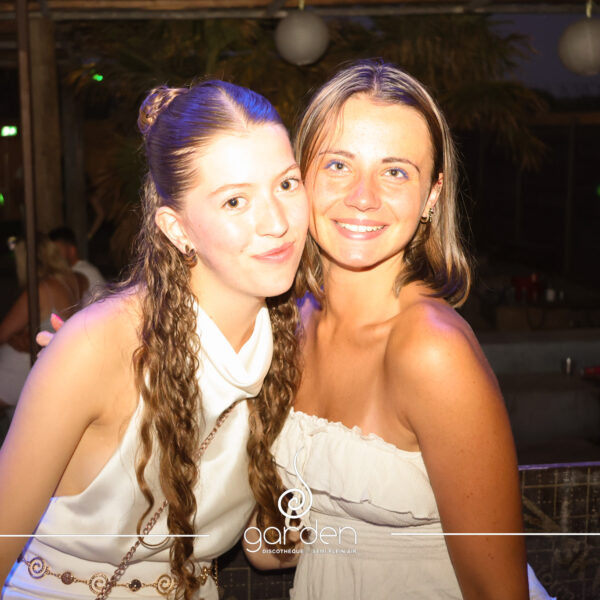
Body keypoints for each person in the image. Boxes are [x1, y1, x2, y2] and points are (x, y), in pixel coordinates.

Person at [250, 60, 553, 599]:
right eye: (338, 165)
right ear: (298, 179)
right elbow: (277, 547)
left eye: (395, 172)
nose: (363, 196)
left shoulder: (431, 351)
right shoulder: (286, 322)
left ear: (432, 195)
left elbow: (498, 592)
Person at [0, 80, 308, 599]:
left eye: (287, 184)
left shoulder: (289, 345)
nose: (277, 222)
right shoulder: (100, 346)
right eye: (235, 201)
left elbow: (263, 547)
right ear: (177, 228)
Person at [0, 234, 83, 410]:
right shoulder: (71, 281)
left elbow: (3, 333)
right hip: (51, 367)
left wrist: (13, 337)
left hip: (29, 369)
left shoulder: (39, 290)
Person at [49, 226, 106, 303]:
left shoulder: (83, 271)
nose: (54, 256)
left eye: (57, 251)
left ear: (72, 250)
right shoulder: (74, 271)